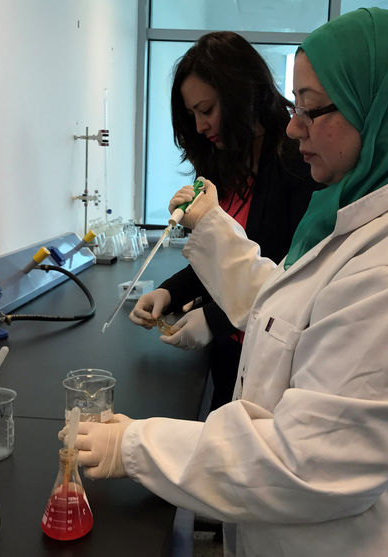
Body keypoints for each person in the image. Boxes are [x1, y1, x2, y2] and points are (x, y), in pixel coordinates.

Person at [72, 8, 388, 556]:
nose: (294, 128)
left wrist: (138, 445)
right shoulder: (383, 205)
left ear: (379, 108)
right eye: (298, 108)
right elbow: (300, 308)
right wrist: (213, 232)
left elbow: (311, 461)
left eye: (313, 111)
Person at [129, 31, 321, 411]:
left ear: (243, 94)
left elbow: (291, 277)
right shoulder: (223, 163)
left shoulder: (296, 163)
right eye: (192, 115)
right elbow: (221, 256)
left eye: (207, 109)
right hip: (228, 356)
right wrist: (169, 293)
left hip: (271, 357)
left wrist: (214, 321)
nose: (200, 126)